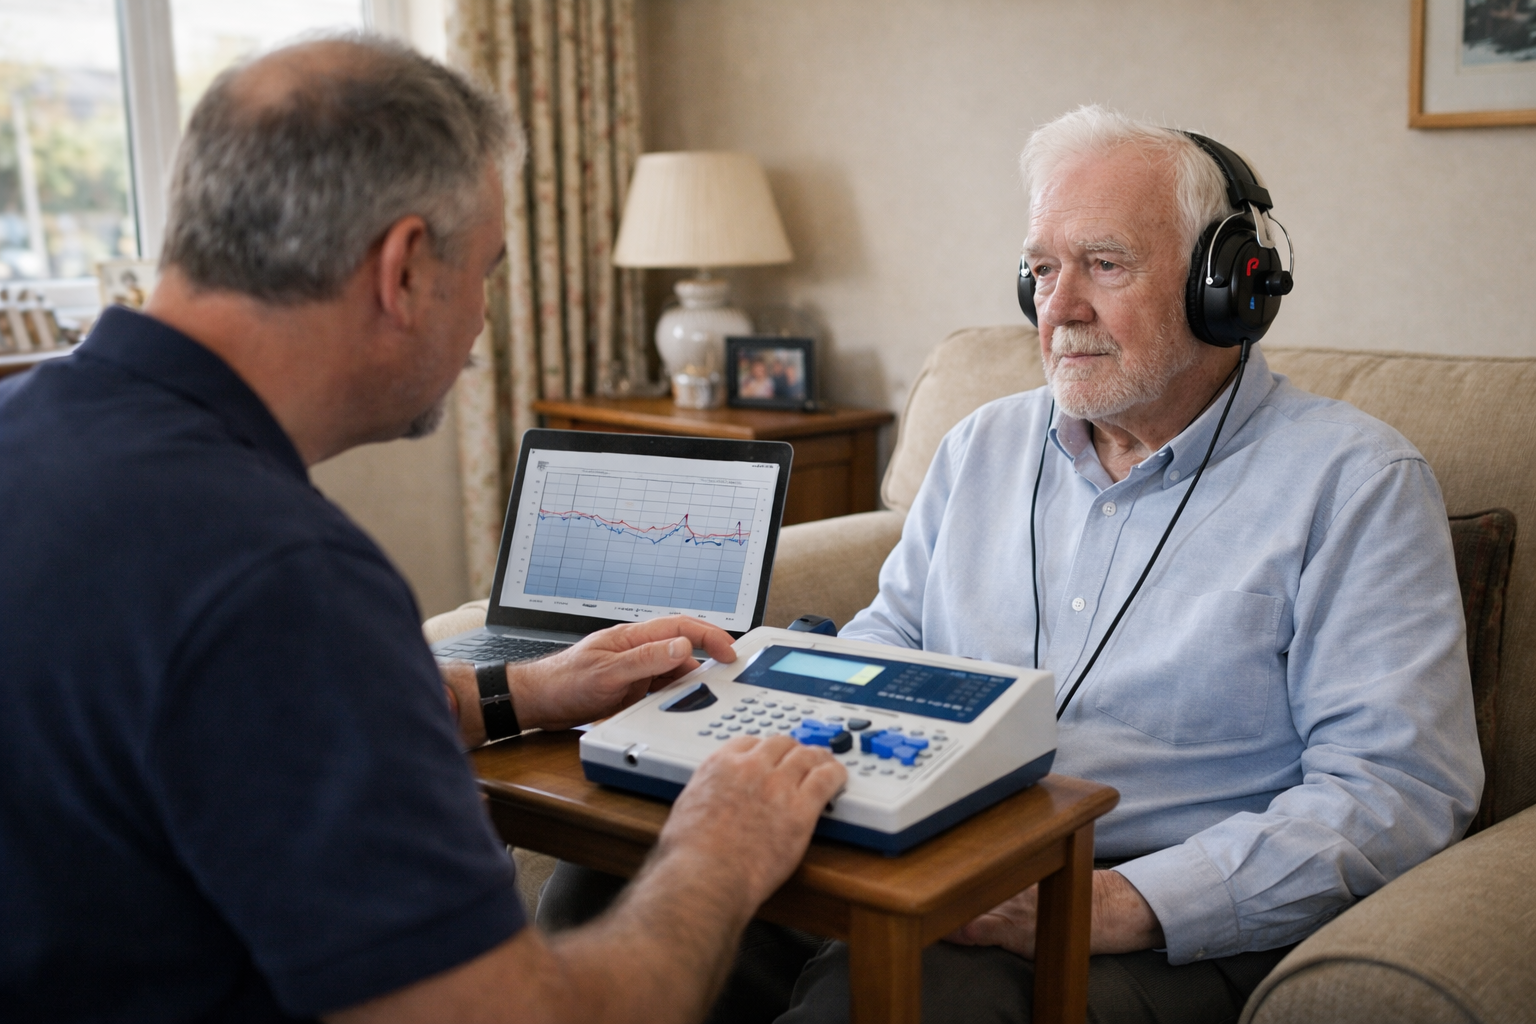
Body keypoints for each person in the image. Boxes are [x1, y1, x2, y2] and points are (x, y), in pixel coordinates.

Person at [0, 35, 845, 1023]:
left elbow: (224, 724)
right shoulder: (282, 575)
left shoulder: (30, 431)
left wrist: (528, 688)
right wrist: (718, 850)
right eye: (485, 269)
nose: (485, 318)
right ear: (403, 268)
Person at [783, 106, 1484, 1021]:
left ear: (1224, 284)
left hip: (1155, 915)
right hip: (935, 853)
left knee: (897, 1001)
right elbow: (895, 639)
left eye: (1104, 265)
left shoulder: (1355, 483)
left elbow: (1397, 790)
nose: (1059, 308)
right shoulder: (981, 447)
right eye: (1042, 270)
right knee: (629, 899)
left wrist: (1110, 905)